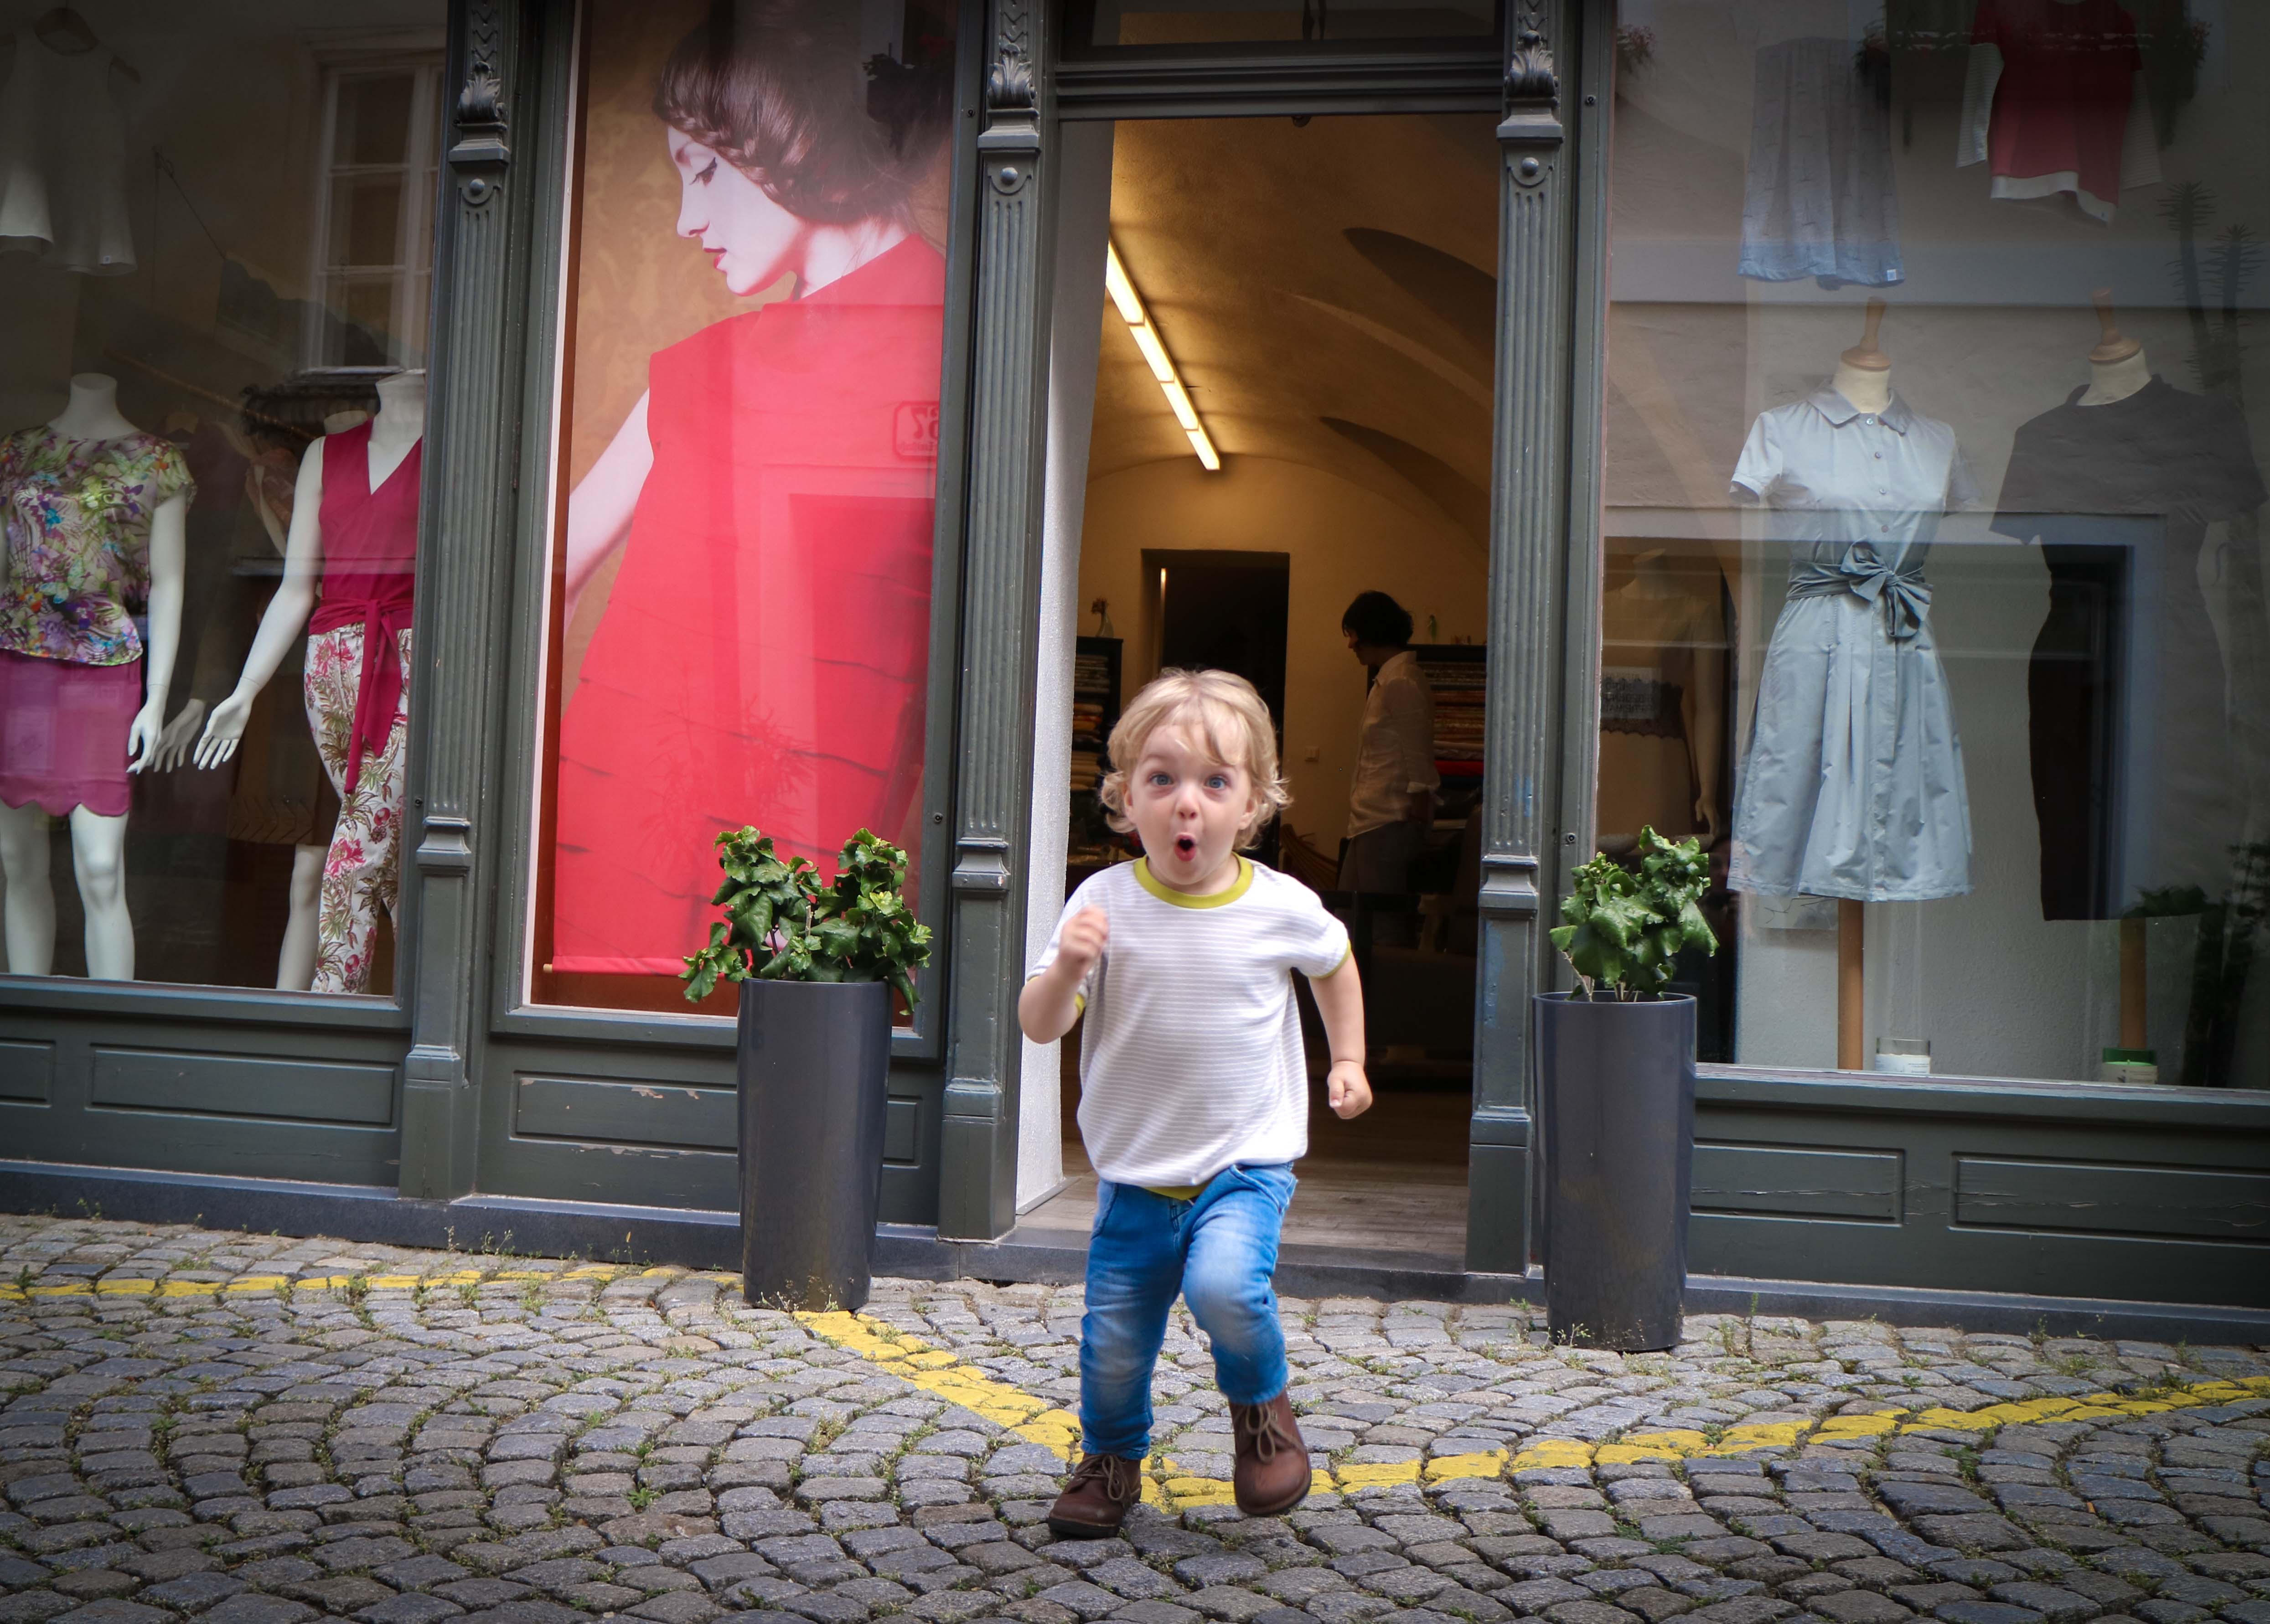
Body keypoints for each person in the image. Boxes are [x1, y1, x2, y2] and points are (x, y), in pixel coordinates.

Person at [549, 0, 953, 978]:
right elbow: (540, 575)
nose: (686, 220)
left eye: (704, 171)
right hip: (626, 825)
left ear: (786, 139)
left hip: (800, 855)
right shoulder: (704, 372)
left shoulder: (953, 339)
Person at [1019, 668, 1373, 1536]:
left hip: (1242, 1167)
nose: (1187, 803)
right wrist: (1068, 968)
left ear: (1253, 804)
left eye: (1215, 782)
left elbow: (1333, 963)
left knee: (1225, 1287)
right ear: (1124, 799)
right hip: (1134, 1179)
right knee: (1112, 1345)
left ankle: (1262, 1413)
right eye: (1162, 778)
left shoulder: (1279, 904)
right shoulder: (1100, 904)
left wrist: (1349, 1057)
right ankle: (1109, 1462)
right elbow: (1039, 1024)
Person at [1340, 591, 1438, 910]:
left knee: (1382, 922)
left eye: (1353, 634)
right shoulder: (1387, 680)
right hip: (1369, 821)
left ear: (1372, 632)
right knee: (1351, 916)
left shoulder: (1402, 682)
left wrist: (1417, 824)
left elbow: (1419, 759)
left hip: (1389, 824)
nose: (1351, 645)